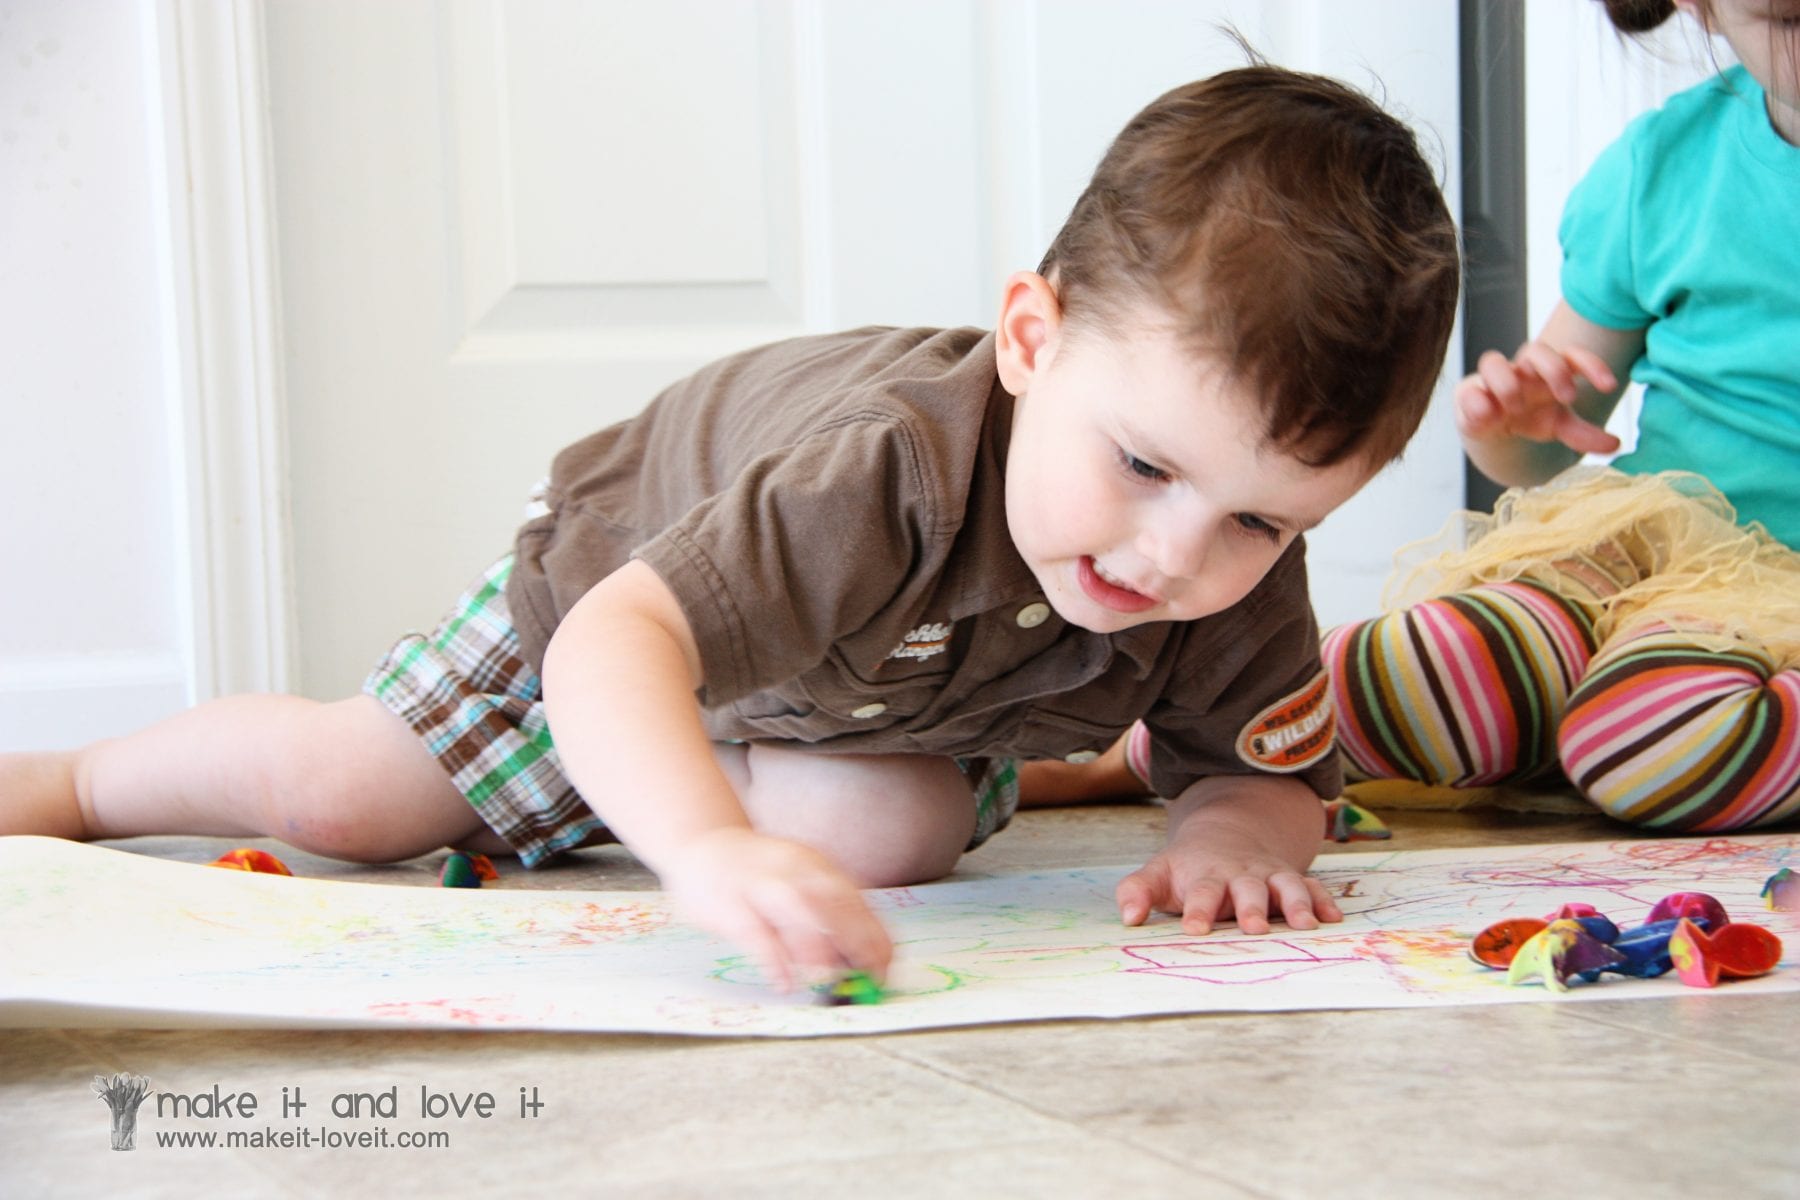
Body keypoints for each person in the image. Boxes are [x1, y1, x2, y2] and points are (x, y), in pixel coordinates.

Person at [0, 66, 1460, 990]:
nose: (1176, 560)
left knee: (878, 835)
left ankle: (974, 770)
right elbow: (612, 649)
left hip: (869, 699)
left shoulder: (1228, 572)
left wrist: (1228, 831)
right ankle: (76, 777)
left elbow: (1273, 782)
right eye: (1143, 465)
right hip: (614, 609)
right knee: (343, 800)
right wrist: (698, 849)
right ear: (1032, 338)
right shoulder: (889, 471)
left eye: (1261, 521)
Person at [1322, 0, 1800, 832]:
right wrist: (1510, 425)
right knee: (1408, 671)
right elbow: (1548, 452)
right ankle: (1154, 753)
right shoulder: (1663, 170)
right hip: (1653, 549)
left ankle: (1596, 713)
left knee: (1656, 742)